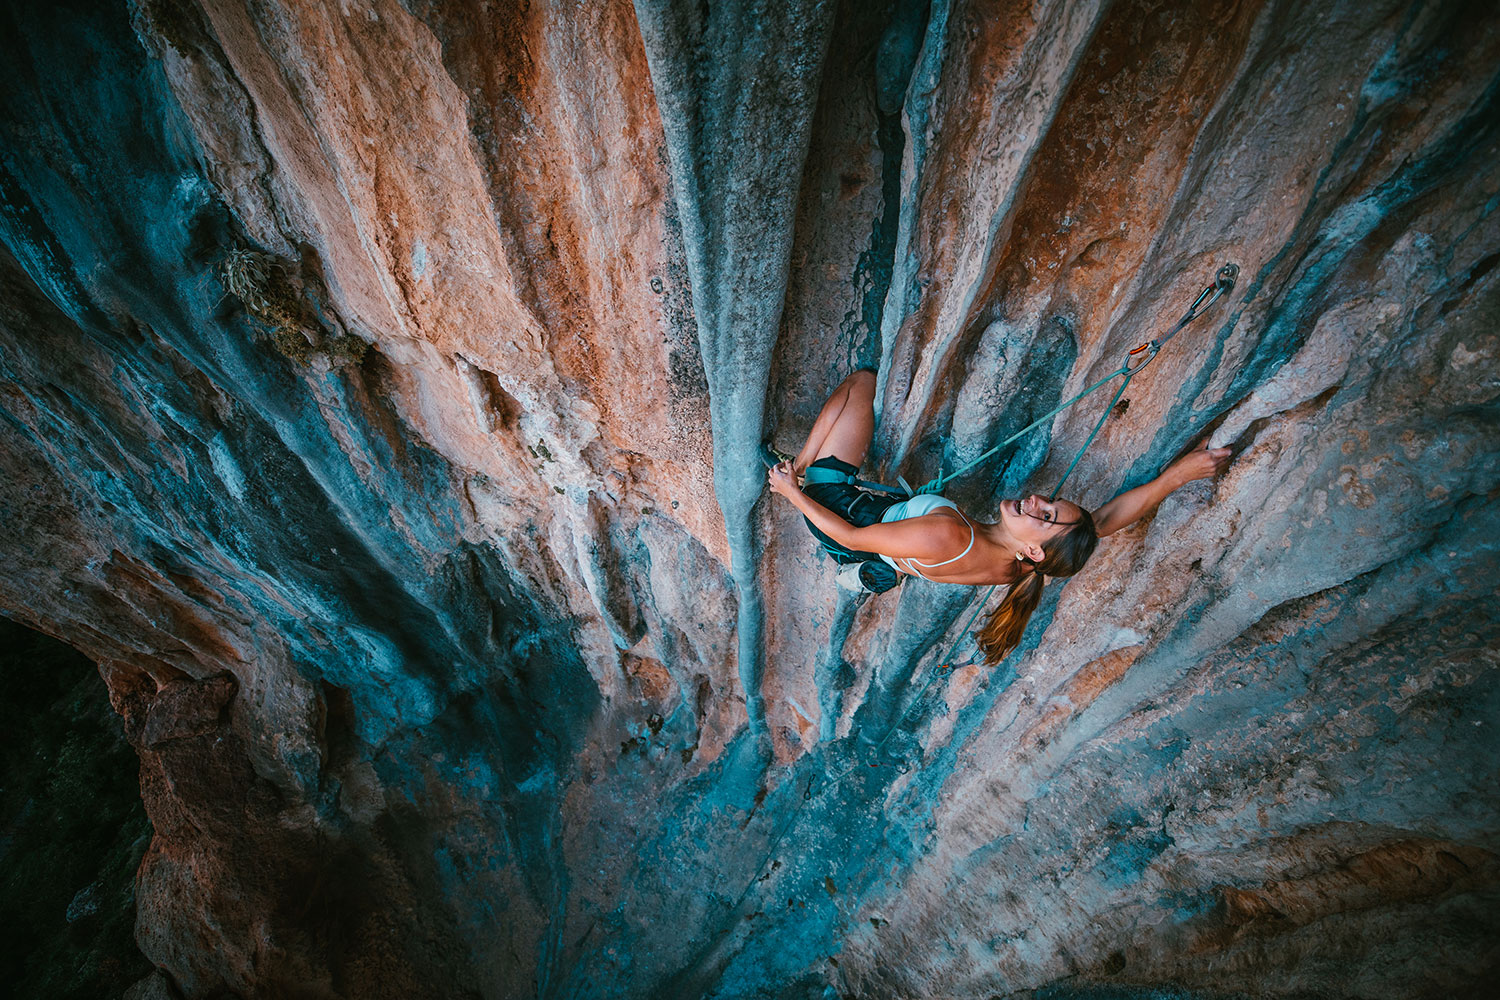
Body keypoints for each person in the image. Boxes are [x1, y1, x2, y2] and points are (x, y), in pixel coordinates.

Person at [765, 369, 1229, 664]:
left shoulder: (950, 535)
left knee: (860, 384)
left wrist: (791, 490)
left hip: (843, 514)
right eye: (1050, 501)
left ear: (1033, 546)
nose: (1034, 501)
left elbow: (852, 532)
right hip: (893, 542)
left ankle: (796, 466)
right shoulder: (1026, 567)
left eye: (1043, 515)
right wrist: (1177, 476)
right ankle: (847, 539)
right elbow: (1105, 520)